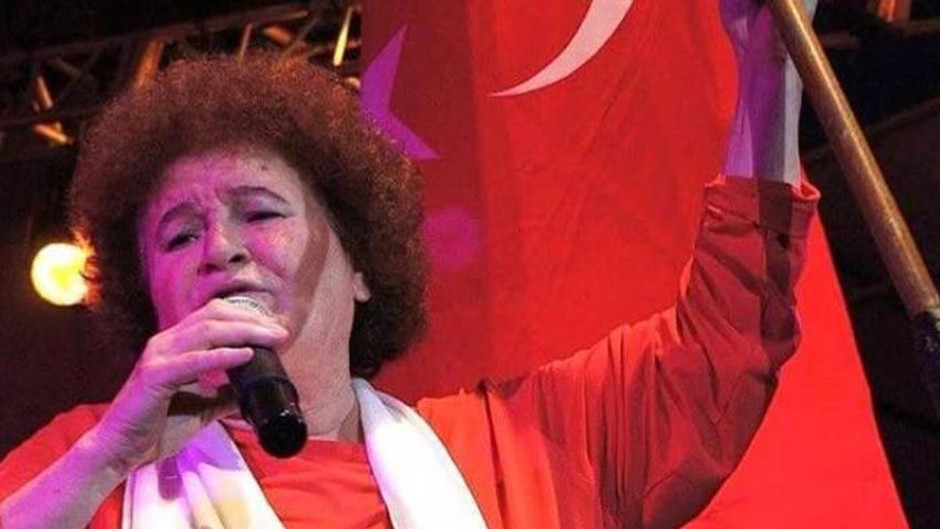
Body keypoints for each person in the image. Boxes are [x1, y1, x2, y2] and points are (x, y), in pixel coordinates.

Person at [0, 0, 819, 527]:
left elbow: (726, 340)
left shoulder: (517, 446)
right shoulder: (88, 465)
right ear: (149, 298)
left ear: (360, 265)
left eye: (261, 212)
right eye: (179, 236)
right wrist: (109, 457)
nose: (221, 247)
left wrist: (768, 68)